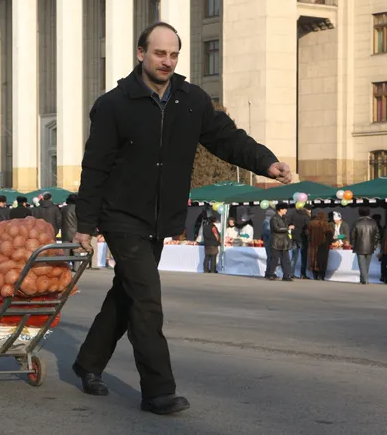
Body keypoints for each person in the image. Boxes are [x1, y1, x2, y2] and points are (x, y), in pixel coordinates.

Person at [71, 22, 291, 415]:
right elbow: (95, 168)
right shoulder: (114, 105)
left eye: (174, 55)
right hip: (122, 216)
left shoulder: (192, 100)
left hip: (161, 219)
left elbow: (227, 139)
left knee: (127, 295)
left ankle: (88, 363)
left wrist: (266, 162)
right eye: (160, 53)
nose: (167, 61)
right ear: (141, 53)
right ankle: (158, 392)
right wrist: (85, 225)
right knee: (146, 301)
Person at [350, 207, 380, 284]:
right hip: (370, 245)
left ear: (359, 213)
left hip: (359, 245)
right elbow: (377, 235)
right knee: (366, 264)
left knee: (362, 264)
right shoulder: (373, 222)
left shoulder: (357, 222)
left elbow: (352, 235)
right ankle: (363, 279)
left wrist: (353, 244)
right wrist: (375, 245)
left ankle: (365, 279)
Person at [265, 204, 292, 281]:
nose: (286, 210)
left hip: (284, 241)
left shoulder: (284, 218)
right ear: (280, 209)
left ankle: (286, 275)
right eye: (284, 209)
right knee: (274, 259)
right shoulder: (274, 218)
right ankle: (270, 274)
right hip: (276, 241)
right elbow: (276, 228)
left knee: (285, 260)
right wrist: (287, 228)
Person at [287, 204, 311, 279]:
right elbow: (308, 227)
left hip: (294, 237)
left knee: (294, 257)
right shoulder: (306, 216)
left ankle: (290, 273)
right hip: (303, 238)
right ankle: (303, 274)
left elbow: (287, 222)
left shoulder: (293, 214)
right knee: (304, 258)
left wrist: (291, 226)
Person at [308, 211, 333, 280]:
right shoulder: (326, 225)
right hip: (323, 245)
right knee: (322, 260)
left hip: (313, 245)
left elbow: (307, 233)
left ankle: (315, 275)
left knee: (313, 259)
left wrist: (311, 238)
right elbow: (330, 234)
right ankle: (322, 276)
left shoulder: (311, 224)